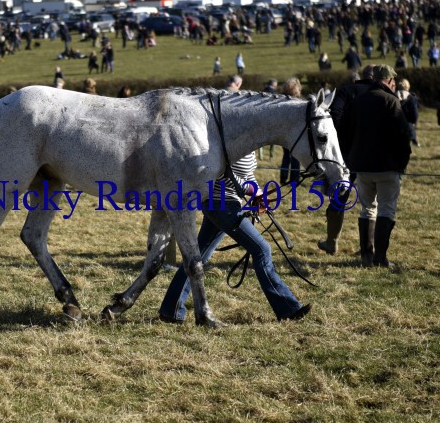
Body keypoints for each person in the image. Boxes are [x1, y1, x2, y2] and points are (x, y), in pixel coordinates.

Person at [158, 152, 312, 324]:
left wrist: (258, 193)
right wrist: (252, 190)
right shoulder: (230, 138)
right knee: (261, 250)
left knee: (198, 257)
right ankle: (287, 308)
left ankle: (170, 309)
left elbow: (245, 174)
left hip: (226, 203)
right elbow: (224, 173)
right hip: (221, 204)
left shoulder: (249, 144)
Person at [343, 65, 411, 266]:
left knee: (367, 209)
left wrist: (351, 158)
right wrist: (402, 163)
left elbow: (344, 132)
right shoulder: (392, 101)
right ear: (389, 81)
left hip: (362, 166)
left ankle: (366, 256)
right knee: (386, 210)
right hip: (387, 166)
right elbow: (403, 135)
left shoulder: (357, 101)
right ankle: (380, 257)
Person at [317, 65, 374, 255]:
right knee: (372, 202)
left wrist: (344, 137)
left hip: (347, 152)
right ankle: (369, 247)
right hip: (373, 154)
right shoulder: (382, 93)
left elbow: (335, 115)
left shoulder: (347, 91)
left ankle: (332, 241)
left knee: (339, 197)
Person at [279, 77, 302, 185]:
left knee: (286, 156)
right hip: (295, 134)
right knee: (295, 157)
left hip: (284, 133)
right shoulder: (298, 103)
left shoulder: (281, 101)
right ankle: (294, 179)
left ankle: (283, 178)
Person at [396, 78, 420, 147]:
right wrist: (414, 121)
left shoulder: (393, 96)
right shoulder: (411, 98)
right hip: (408, 124)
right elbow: (414, 112)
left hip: (396, 125)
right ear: (408, 87)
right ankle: (415, 143)